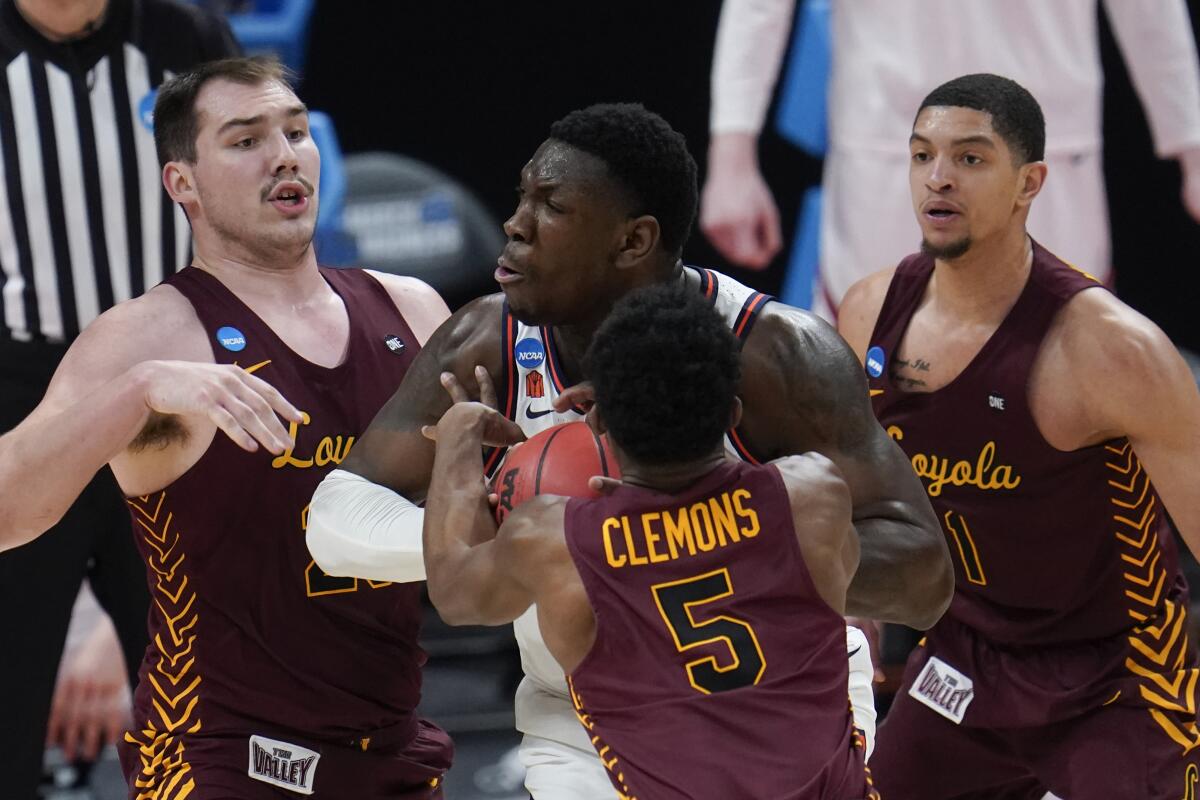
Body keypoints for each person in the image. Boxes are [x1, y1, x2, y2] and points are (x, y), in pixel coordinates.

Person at [306, 101, 953, 798]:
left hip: (780, 701)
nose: (515, 223)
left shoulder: (778, 353)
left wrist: (654, 547)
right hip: (582, 718)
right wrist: (520, 527)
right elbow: (333, 522)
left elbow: (922, 575)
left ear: (633, 240)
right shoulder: (483, 344)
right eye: (523, 194)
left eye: (550, 205)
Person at [0, 56, 454, 798]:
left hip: (392, 746)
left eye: (297, 132)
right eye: (245, 141)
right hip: (219, 755)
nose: (284, 155)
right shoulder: (148, 338)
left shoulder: (412, 310)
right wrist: (140, 390)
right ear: (183, 184)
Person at [836, 73, 1200, 799]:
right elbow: (862, 491)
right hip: (968, 658)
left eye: (970, 158)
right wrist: (861, 613)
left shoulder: (1112, 350)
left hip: (1119, 676)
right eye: (921, 155)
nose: (938, 178)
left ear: (1030, 181)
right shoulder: (869, 311)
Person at [420, 283, 878, 799]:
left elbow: (454, 592)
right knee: (851, 648)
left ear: (592, 416)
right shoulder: (813, 493)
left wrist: (459, 433)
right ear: (732, 414)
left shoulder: (553, 539)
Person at [0, 0, 239, 793]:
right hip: (23, 396)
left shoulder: (186, 34)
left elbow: (252, 185)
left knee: (220, 701)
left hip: (180, 386)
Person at [702, 0, 1200, 318]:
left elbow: (1151, 10)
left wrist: (1193, 147)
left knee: (1061, 390)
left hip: (1048, 152)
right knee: (866, 400)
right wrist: (732, 153)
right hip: (887, 151)